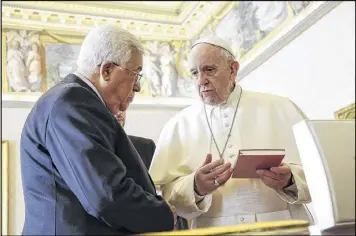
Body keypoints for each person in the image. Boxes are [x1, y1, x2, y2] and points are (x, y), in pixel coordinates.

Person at [20, 25, 176, 235]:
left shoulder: (72, 101)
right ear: (107, 70)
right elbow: (106, 195)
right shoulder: (72, 102)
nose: (137, 87)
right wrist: (163, 215)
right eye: (135, 74)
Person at [149, 36, 313, 228]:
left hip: (284, 225)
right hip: (213, 229)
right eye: (194, 73)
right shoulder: (178, 125)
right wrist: (195, 187)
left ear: (233, 69)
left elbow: (320, 172)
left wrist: (290, 180)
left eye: (209, 70)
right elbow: (165, 193)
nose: (201, 81)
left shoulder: (280, 107)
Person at [115, 102, 189, 230]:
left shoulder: (145, 147)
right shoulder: (89, 152)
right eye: (112, 105)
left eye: (124, 104)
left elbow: (163, 197)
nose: (119, 112)